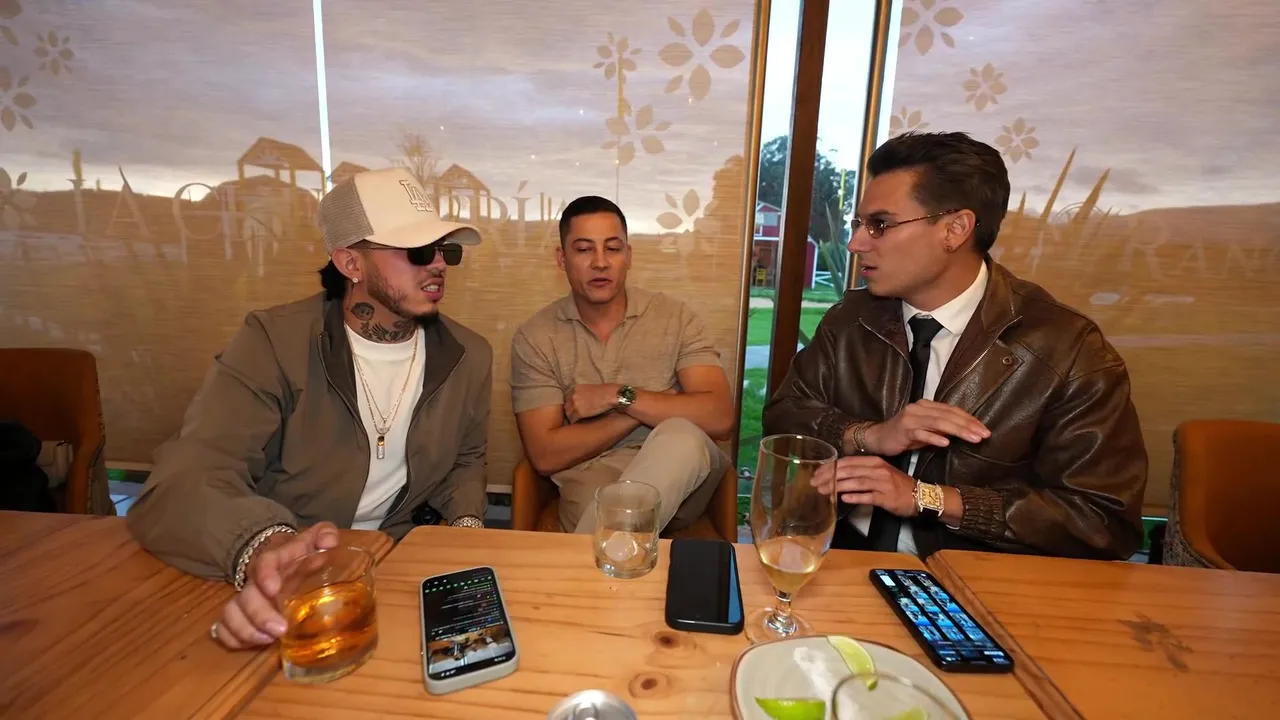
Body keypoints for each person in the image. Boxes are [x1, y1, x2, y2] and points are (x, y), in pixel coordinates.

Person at [127, 167, 493, 649]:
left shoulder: (468, 355)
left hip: (396, 562)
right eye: (419, 251)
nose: (440, 264)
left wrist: (466, 530)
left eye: (446, 250)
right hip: (289, 570)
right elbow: (187, 478)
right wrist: (269, 546)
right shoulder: (273, 342)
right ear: (350, 262)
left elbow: (466, 460)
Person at [762, 131, 1147, 560]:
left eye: (880, 225)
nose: (855, 243)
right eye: (859, 224)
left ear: (955, 229)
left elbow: (1102, 520)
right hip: (841, 557)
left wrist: (928, 498)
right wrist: (870, 435)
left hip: (978, 577)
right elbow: (784, 417)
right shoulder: (851, 319)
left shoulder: (1067, 349)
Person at [510, 195, 735, 534]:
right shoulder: (536, 337)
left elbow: (719, 417)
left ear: (628, 256)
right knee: (601, 506)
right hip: (592, 478)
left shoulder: (675, 317)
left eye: (613, 249)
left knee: (681, 436)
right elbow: (544, 454)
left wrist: (617, 394)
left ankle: (600, 552)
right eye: (584, 249)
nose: (600, 263)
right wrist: (639, 410)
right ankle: (613, 549)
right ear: (562, 258)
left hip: (682, 482)